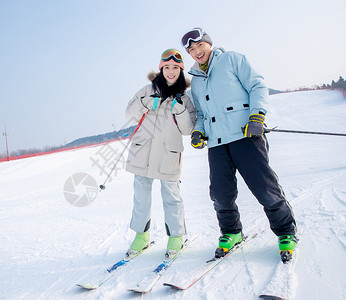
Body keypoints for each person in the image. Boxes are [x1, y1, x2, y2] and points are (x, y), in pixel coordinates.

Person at [180, 27, 298, 262]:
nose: (196, 52)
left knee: (264, 188)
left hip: (245, 136)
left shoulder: (232, 60)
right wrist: (198, 132)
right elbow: (202, 114)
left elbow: (257, 86)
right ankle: (231, 233)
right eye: (191, 50)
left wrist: (257, 116)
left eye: (199, 46)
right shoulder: (196, 81)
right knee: (221, 194)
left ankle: (286, 232)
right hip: (217, 144)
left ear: (209, 44)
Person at [125, 49, 197, 258]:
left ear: (181, 70)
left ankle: (176, 236)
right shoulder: (147, 90)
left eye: (175, 67)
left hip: (169, 153)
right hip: (143, 152)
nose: (171, 71)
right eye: (167, 67)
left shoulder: (185, 97)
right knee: (141, 196)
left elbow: (188, 129)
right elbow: (129, 114)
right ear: (161, 69)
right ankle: (141, 236)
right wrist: (145, 103)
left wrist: (181, 111)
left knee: (172, 196)